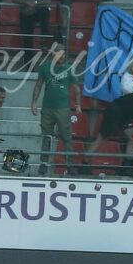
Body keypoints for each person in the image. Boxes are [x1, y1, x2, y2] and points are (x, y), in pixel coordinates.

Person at [30, 40, 76, 177]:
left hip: (63, 108)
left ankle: (70, 164)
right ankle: (44, 163)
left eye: (63, 54)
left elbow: (76, 88)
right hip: (48, 108)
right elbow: (38, 85)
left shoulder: (69, 68)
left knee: (66, 137)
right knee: (47, 136)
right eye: (59, 54)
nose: (62, 56)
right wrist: (34, 102)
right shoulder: (45, 67)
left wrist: (78, 104)